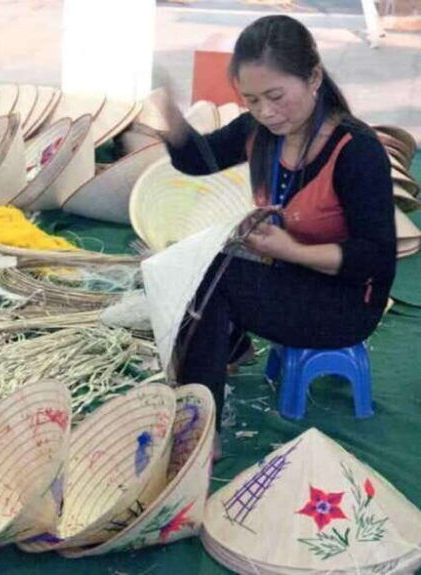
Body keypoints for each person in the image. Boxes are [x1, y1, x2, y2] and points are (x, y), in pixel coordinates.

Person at [159, 15, 396, 454]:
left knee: (216, 283)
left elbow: (376, 259)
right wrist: (171, 120)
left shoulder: (355, 150)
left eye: (276, 96)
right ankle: (228, 352)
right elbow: (200, 160)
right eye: (251, 100)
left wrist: (292, 249)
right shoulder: (260, 132)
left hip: (345, 303)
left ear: (314, 78)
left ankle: (199, 433)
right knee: (194, 260)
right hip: (290, 277)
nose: (266, 111)